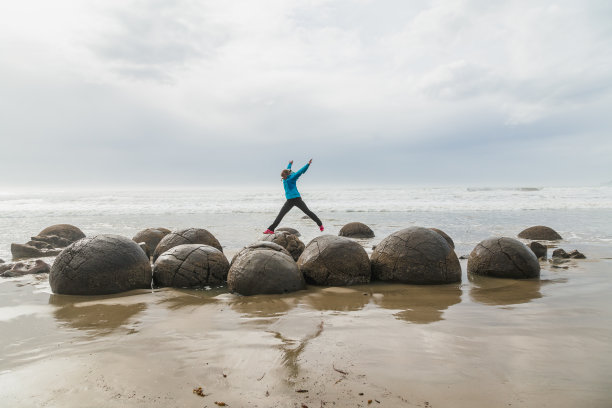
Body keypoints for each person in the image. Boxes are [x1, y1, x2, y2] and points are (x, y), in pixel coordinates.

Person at [264, 159, 324, 234]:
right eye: (282, 177)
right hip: (289, 201)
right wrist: (290, 163)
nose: (283, 178)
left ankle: (320, 224)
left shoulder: (292, 177)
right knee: (280, 215)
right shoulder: (285, 176)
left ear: (287, 175)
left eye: (284, 177)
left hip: (297, 199)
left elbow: (300, 171)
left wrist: (308, 164)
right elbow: (288, 169)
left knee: (308, 212)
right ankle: (271, 229)